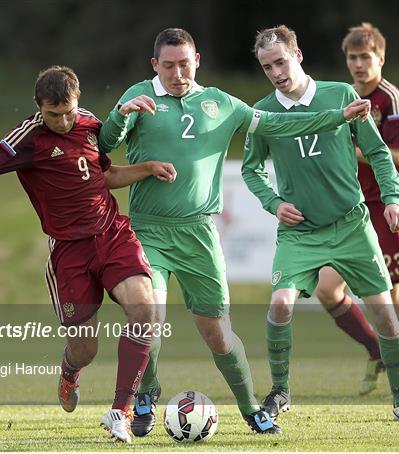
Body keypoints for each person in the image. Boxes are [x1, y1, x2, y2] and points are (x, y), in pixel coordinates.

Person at [98, 27, 371, 436]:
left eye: (184, 64)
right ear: (155, 65)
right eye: (168, 65)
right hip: (148, 232)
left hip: (200, 234)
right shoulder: (138, 95)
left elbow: (277, 124)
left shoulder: (220, 103)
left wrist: (336, 116)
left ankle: (250, 409)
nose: (177, 73)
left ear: (198, 60)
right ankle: (146, 394)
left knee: (218, 332)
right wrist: (122, 115)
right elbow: (105, 144)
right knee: (147, 317)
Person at [0, 65, 178, 444]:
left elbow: (101, 176)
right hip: (69, 252)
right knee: (85, 349)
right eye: (53, 114)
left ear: (78, 102)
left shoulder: (90, 123)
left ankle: (120, 413)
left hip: (111, 233)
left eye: (68, 112)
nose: (62, 121)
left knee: (145, 307)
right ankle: (69, 371)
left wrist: (145, 169)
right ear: (38, 108)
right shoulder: (28, 138)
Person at [242, 25, 399, 421]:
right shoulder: (263, 112)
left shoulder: (341, 94)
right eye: (266, 66)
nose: (275, 72)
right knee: (279, 304)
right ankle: (280, 391)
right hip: (300, 232)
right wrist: (273, 203)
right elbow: (251, 170)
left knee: (384, 313)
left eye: (281, 61)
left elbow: (379, 152)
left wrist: (392, 199)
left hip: (351, 225)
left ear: (299, 55)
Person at [314, 22, 399, 399]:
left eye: (366, 56)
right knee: (327, 290)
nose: (359, 64)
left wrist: (348, 150)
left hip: (388, 207)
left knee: (391, 301)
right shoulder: (341, 97)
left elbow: (395, 156)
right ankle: (376, 350)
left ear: (381, 58)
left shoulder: (389, 99)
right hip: (351, 208)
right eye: (352, 57)